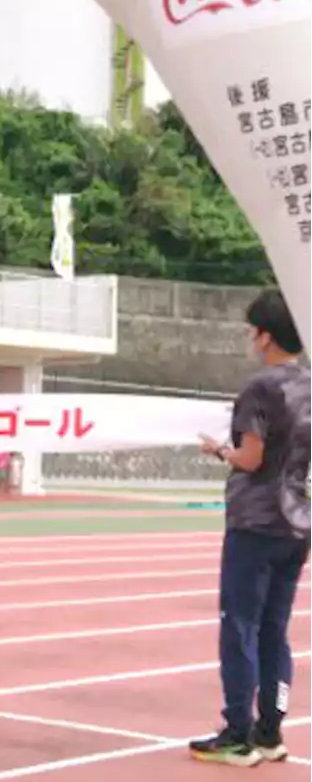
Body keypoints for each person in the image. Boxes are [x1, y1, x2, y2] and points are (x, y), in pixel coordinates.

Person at [190, 288, 312, 766]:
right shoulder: (308, 385)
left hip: (256, 520)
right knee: (274, 629)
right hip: (297, 520)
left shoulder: (260, 388)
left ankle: (237, 733)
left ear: (264, 336)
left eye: (251, 330)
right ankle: (270, 731)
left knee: (238, 624)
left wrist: (217, 450)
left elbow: (251, 457)